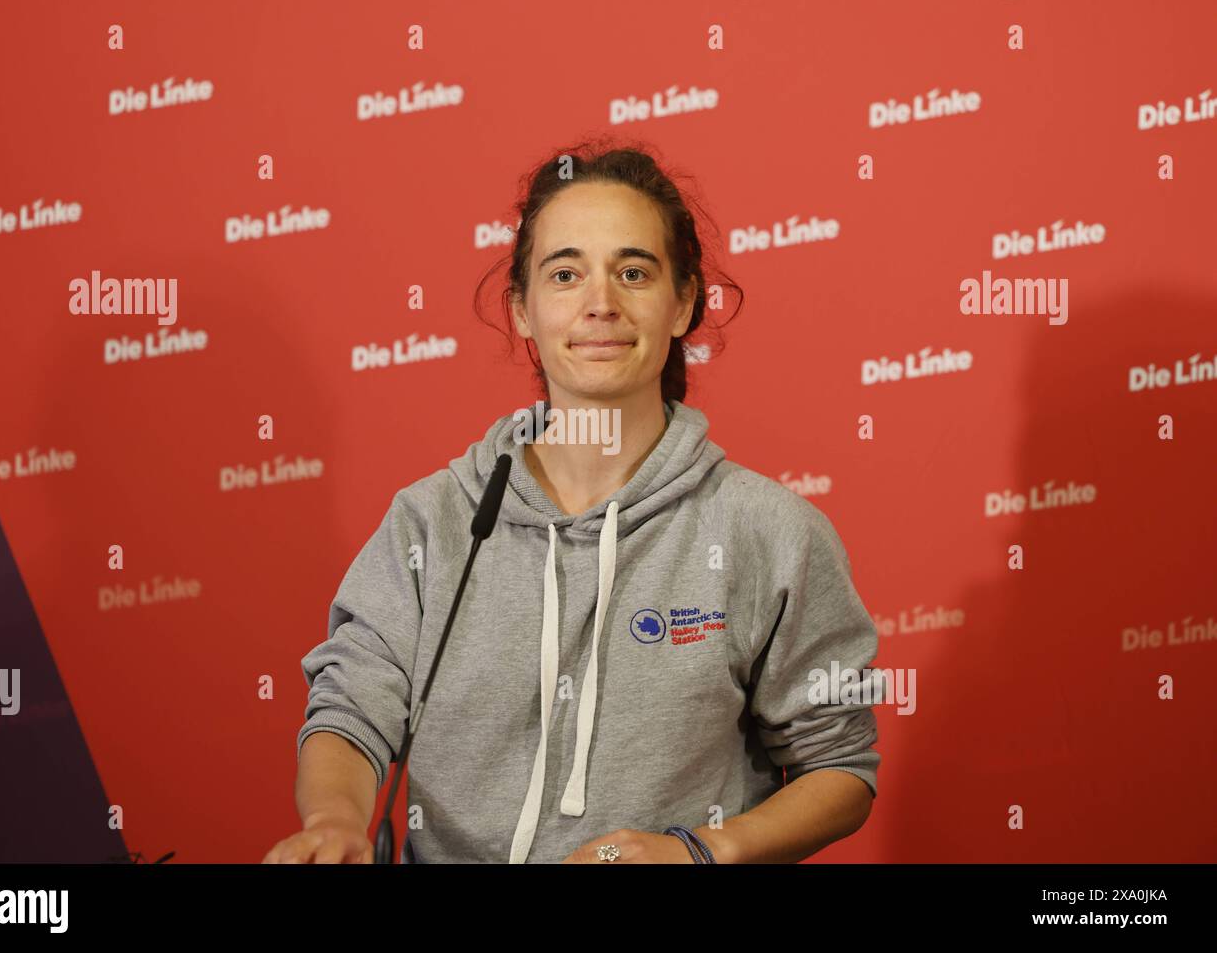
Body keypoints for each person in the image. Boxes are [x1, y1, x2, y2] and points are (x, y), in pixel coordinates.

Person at [263, 141, 881, 864]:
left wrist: (699, 852)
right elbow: (351, 708)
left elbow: (841, 768)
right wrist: (336, 822)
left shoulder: (770, 531)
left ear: (683, 303)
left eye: (633, 272)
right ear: (521, 310)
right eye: (565, 274)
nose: (600, 304)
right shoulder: (431, 519)